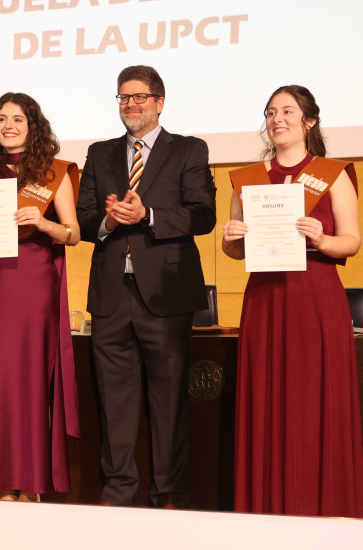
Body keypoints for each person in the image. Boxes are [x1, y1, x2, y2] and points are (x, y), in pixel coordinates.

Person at [76, 66, 216, 509]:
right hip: (110, 293)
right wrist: (107, 220)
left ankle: (169, 494)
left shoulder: (189, 150)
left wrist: (148, 215)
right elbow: (82, 220)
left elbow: (203, 214)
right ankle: (117, 491)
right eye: (123, 98)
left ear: (159, 102)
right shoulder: (99, 153)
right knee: (113, 401)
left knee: (169, 399)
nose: (130, 105)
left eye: (140, 97)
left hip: (167, 294)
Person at [222, 85, 363, 517]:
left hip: (316, 298)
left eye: (288, 111)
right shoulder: (246, 177)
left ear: (309, 120)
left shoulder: (333, 173)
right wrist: (231, 239)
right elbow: (234, 250)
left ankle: (322, 508)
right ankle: (267, 510)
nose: (277, 118)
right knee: (266, 403)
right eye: (270, 112)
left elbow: (352, 241)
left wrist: (322, 239)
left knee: (313, 404)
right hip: (265, 299)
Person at [0, 92, 81, 502]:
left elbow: (73, 233)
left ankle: (32, 485)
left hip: (34, 284)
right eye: (2, 119)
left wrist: (43, 223)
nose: (9, 125)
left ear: (32, 126)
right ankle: (2, 484)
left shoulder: (54, 173)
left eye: (18, 119)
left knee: (30, 382)